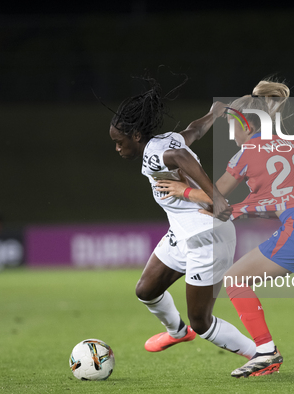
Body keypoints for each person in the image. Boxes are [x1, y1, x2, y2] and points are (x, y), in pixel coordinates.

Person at [154, 80, 294, 379]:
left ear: (245, 125)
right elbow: (278, 199)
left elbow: (217, 198)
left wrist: (182, 190)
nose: (232, 134)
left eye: (232, 126)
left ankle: (265, 352)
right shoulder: (289, 144)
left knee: (235, 280)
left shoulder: (247, 153)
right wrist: (244, 210)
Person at [107, 77, 255, 363]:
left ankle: (260, 354)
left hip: (207, 237)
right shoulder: (165, 141)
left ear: (136, 136)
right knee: (146, 290)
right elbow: (193, 131)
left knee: (201, 321)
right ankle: (176, 331)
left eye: (118, 142)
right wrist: (214, 112)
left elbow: (179, 156)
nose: (117, 148)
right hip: (184, 233)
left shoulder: (156, 155)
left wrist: (216, 198)